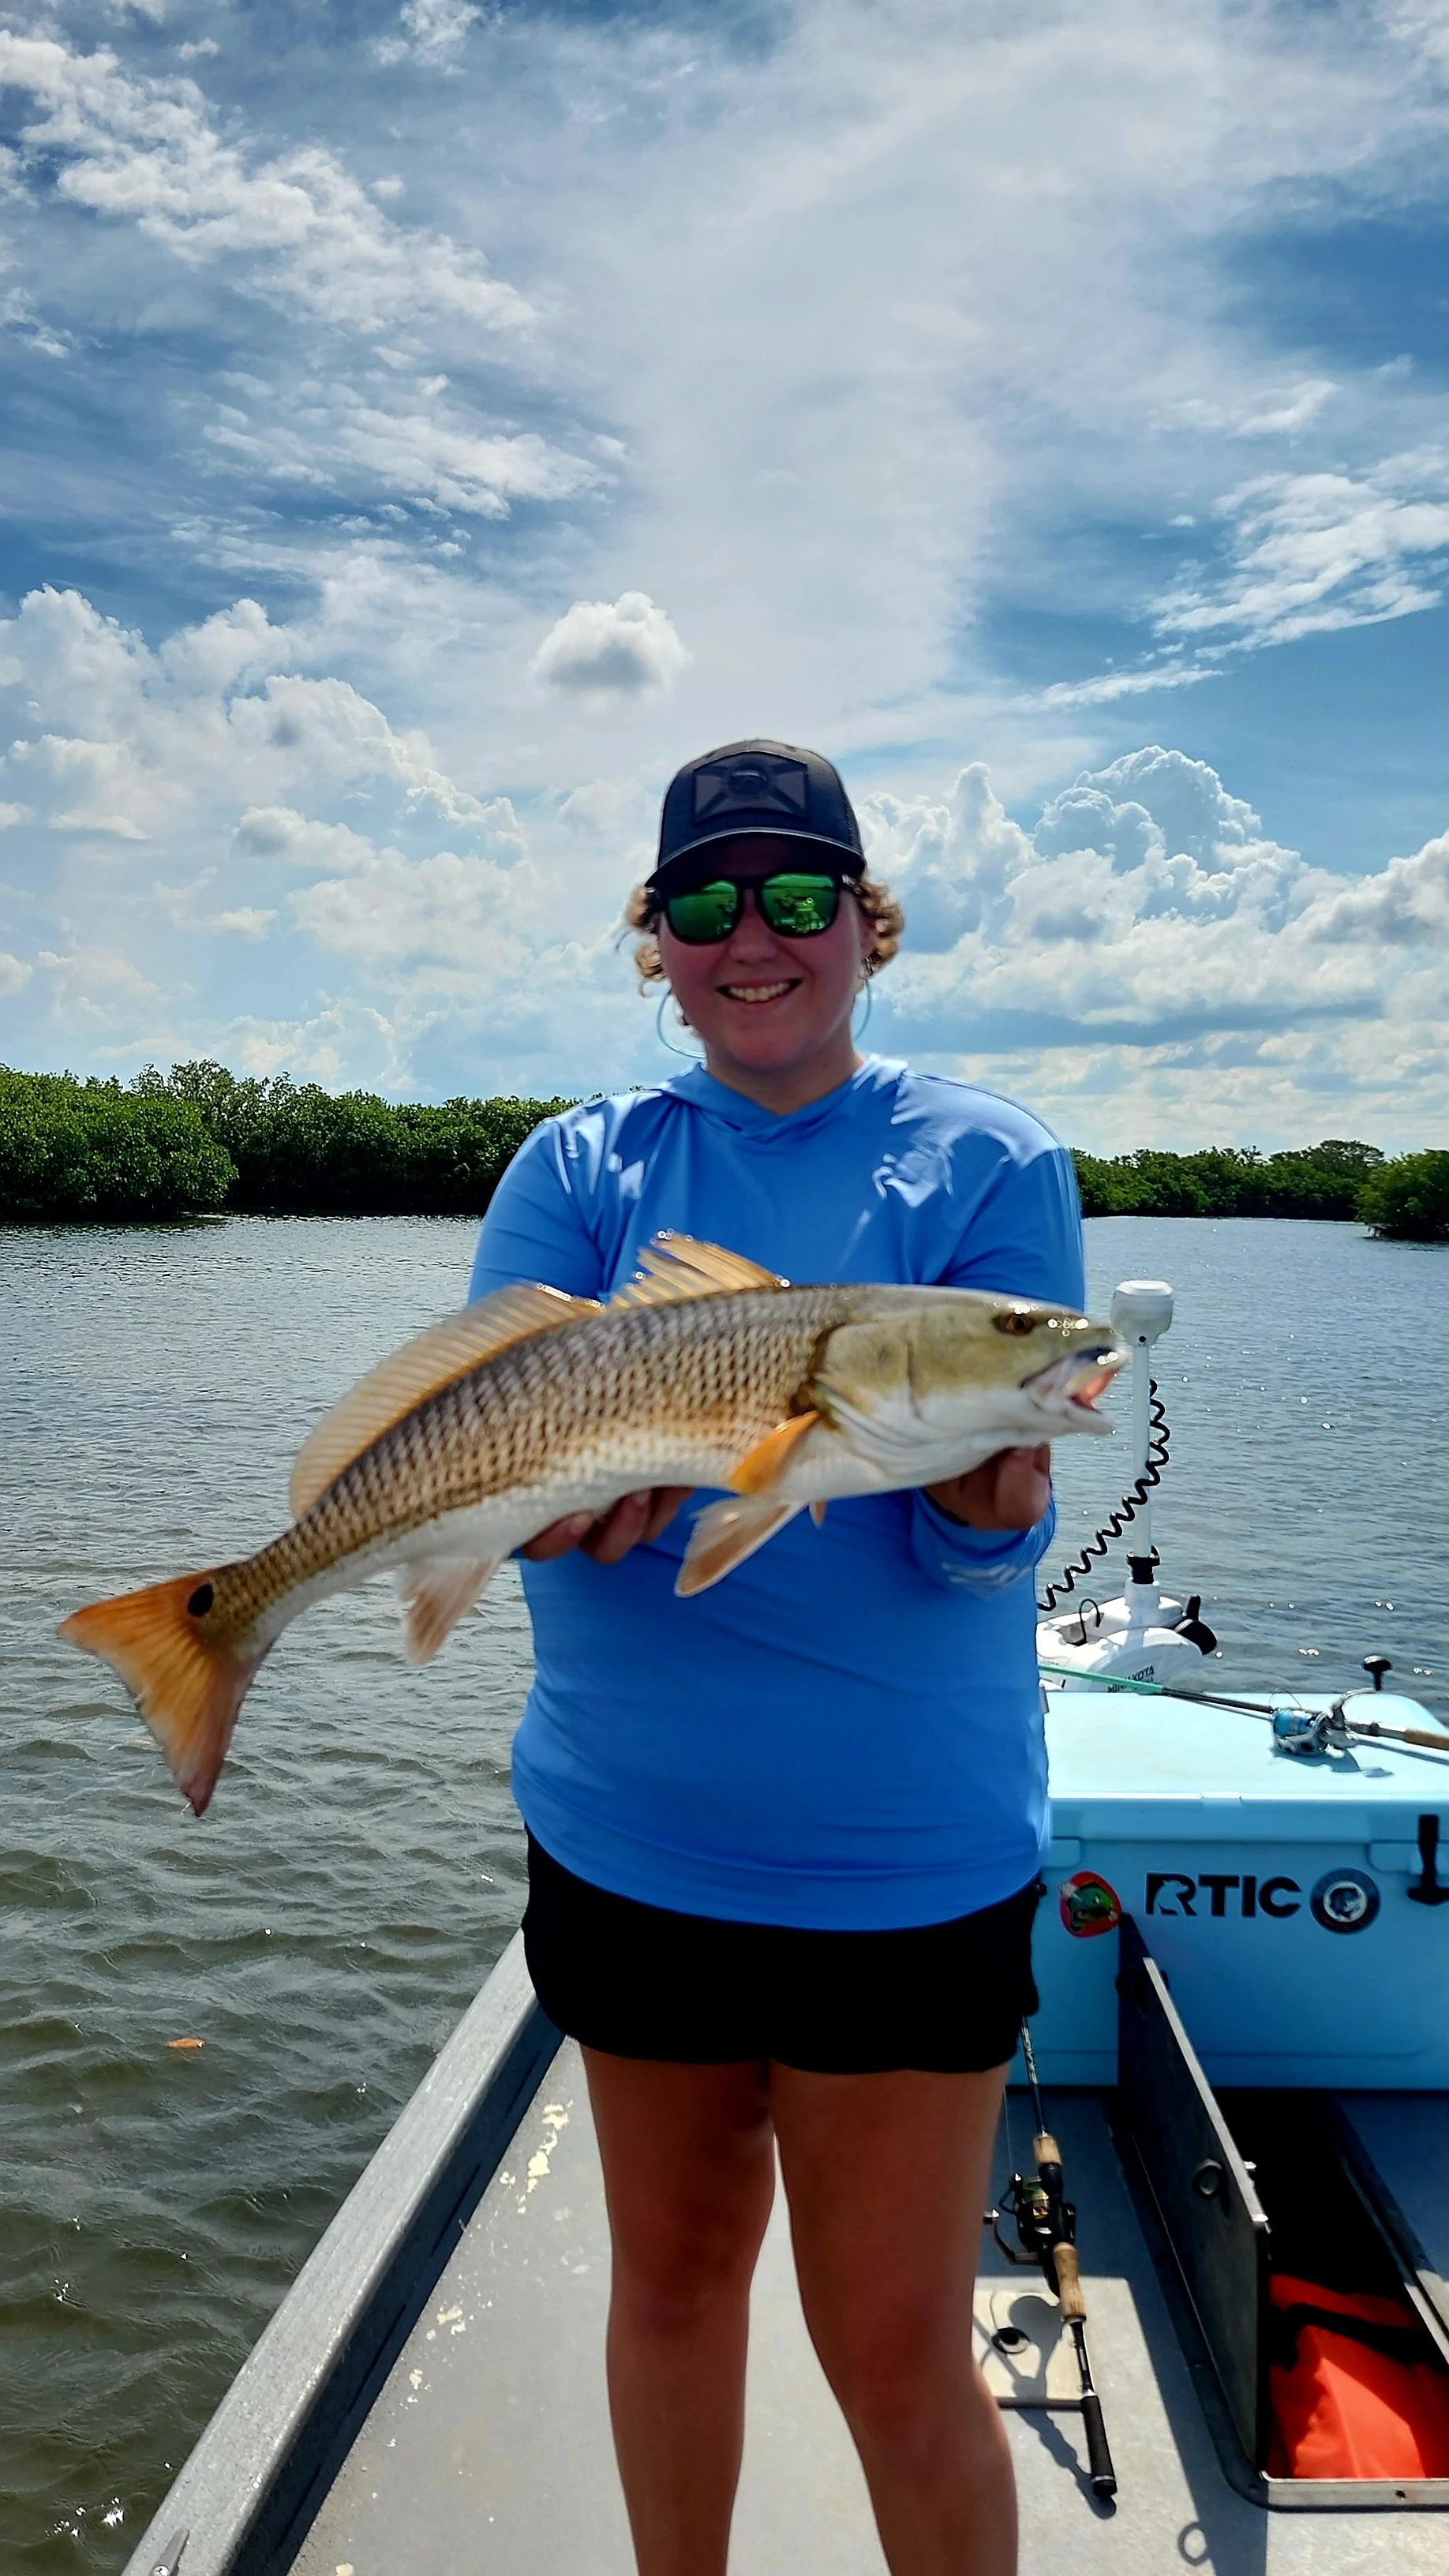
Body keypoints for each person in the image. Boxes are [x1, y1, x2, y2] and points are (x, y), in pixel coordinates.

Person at [470, 739, 1085, 2576]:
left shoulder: (989, 1162)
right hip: (631, 1844)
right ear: (654, 944)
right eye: (709, 904)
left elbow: (992, 1541)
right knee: (668, 2291)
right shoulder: (579, 1167)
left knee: (894, 2352)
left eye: (802, 896)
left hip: (906, 1866)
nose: (758, 938)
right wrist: (546, 1511)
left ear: (868, 927)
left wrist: (993, 1516)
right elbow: (509, 1475)